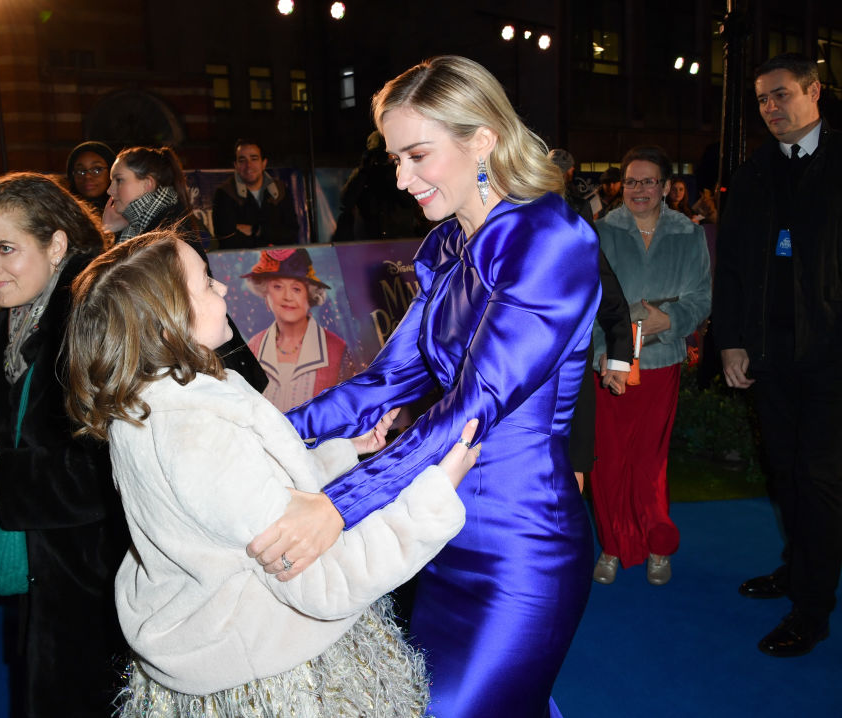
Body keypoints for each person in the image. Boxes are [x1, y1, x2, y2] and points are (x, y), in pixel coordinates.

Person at [247, 56, 602, 718]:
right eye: (395, 159)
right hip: (438, 532)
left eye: (417, 155)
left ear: (482, 140)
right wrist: (257, 435)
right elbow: (384, 382)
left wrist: (336, 507)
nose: (402, 179)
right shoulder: (445, 247)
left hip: (521, 547)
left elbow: (474, 406)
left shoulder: (549, 238)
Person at [64, 230, 479, 716]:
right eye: (206, 283)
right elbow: (324, 581)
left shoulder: (150, 405)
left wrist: (343, 453)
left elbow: (249, 493)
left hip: (217, 651)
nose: (222, 288)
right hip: (273, 671)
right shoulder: (198, 435)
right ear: (168, 321)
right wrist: (433, 497)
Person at [0, 173, 129, 716]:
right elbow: (23, 407)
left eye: (6, 248)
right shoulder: (26, 304)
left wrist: (5, 479)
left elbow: (113, 467)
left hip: (101, 572)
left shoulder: (94, 317)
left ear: (56, 245)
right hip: (51, 559)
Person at [714, 53, 842, 658]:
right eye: (763, 99)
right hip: (769, 353)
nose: (770, 107)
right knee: (785, 472)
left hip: (833, 355)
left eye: (781, 94)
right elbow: (732, 268)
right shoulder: (753, 174)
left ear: (814, 92)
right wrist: (730, 340)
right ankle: (797, 569)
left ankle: (812, 610)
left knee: (820, 480)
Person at [590, 145, 711, 587]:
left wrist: (671, 320)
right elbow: (587, 304)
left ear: (665, 187)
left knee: (649, 462)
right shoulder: (600, 232)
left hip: (661, 362)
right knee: (607, 461)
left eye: (648, 181)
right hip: (610, 364)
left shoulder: (689, 233)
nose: (639, 189)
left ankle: (658, 544)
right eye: (631, 181)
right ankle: (612, 545)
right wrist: (605, 354)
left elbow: (702, 297)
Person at [105, 145, 269, 393]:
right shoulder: (152, 223)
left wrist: (106, 233)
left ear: (147, 184)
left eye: (119, 180)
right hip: (190, 357)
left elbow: (117, 289)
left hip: (193, 361)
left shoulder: (163, 231)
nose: (110, 190)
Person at [549, 148, 633, 492]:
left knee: (573, 467)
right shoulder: (498, 234)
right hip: (515, 380)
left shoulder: (575, 226)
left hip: (571, 373)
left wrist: (619, 358)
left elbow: (609, 294)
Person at [242, 248, 357, 412]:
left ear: (309, 296)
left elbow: (348, 411)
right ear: (266, 293)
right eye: (278, 286)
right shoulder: (254, 346)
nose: (287, 297)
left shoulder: (336, 350)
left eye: (296, 289)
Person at [332, 130, 430, 241]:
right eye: (378, 153)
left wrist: (391, 172)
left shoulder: (401, 172)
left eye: (387, 153)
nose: (382, 158)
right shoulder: (363, 174)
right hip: (370, 241)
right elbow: (345, 201)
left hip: (399, 239)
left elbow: (410, 202)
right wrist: (363, 169)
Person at [212, 139, 300, 248]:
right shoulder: (224, 193)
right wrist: (270, 237)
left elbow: (291, 234)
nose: (248, 165)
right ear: (236, 165)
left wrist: (256, 230)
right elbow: (226, 239)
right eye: (242, 160)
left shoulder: (280, 190)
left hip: (278, 258)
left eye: (254, 159)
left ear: (264, 163)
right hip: (241, 258)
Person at [65, 140, 115, 216]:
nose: (87, 176)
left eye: (97, 170)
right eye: (80, 171)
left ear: (111, 171)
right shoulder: (64, 214)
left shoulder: (127, 212)